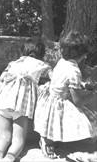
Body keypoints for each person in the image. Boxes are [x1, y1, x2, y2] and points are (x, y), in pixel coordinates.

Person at [34, 31, 97, 159]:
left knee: (51, 124)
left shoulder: (62, 61)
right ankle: (45, 142)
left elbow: (65, 81)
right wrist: (94, 93)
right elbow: (78, 101)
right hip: (59, 102)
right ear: (83, 55)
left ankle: (47, 140)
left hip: (50, 97)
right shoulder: (74, 71)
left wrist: (83, 85)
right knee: (89, 119)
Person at [0, 37, 52, 162]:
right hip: (20, 105)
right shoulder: (42, 65)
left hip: (4, 101)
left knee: (4, 137)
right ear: (42, 53)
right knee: (18, 140)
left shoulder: (14, 63)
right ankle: (8, 158)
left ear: (23, 51)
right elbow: (54, 77)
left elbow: (2, 77)